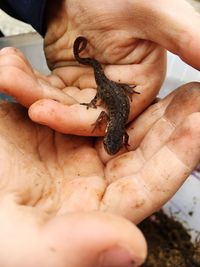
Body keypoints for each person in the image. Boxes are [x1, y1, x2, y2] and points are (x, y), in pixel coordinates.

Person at [0, 0, 200, 266]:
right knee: (105, 88)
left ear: (109, 136)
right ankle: (97, 77)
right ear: (109, 135)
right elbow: (110, 119)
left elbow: (115, 127)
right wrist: (95, 104)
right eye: (110, 142)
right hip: (110, 89)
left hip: (116, 90)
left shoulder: (113, 128)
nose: (111, 144)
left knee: (113, 92)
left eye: (110, 142)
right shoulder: (112, 125)